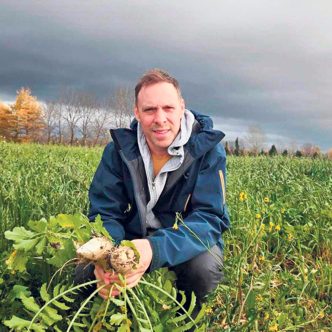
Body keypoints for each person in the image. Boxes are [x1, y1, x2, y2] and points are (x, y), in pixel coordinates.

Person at [88, 68, 230, 306]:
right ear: (137, 112)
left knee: (203, 269)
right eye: (150, 110)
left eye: (168, 108)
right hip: (130, 237)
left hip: (182, 239)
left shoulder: (208, 151)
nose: (160, 119)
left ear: (182, 107)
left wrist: (154, 249)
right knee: (85, 268)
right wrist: (108, 255)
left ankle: (184, 318)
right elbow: (104, 211)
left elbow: (210, 218)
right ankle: (103, 311)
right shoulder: (118, 151)